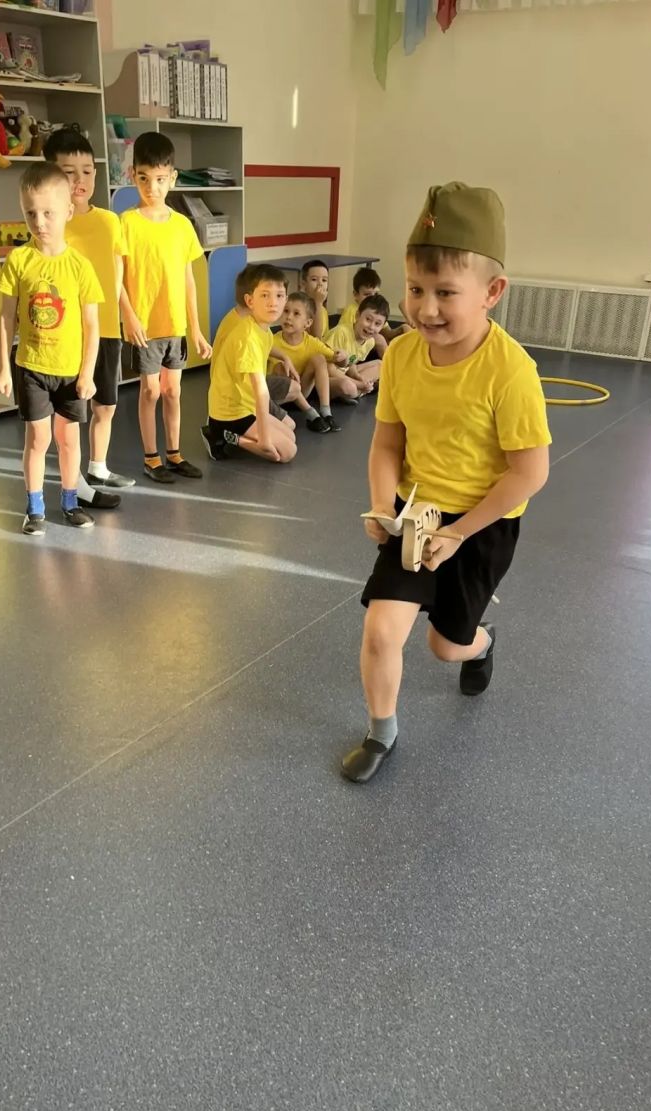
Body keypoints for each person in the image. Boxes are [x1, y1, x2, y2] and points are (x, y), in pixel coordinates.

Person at [341, 182, 551, 784]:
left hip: (483, 525)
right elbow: (387, 443)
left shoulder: (511, 371)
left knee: (445, 646)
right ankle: (381, 732)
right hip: (416, 513)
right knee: (381, 632)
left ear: (492, 292)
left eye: (445, 293)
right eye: (415, 289)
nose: (425, 308)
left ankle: (481, 644)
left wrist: (460, 532)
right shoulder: (402, 356)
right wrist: (382, 505)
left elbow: (529, 472)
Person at [0, 163, 103, 536]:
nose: (39, 222)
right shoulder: (18, 261)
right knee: (38, 440)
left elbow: (92, 325)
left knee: (69, 440)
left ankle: (70, 502)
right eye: (30, 213)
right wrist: (3, 367)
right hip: (32, 368)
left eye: (48, 213)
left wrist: (87, 373)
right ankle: (35, 507)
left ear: (68, 211)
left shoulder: (80, 267)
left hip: (70, 371)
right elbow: (6, 318)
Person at [44, 124, 134, 509]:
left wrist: (128, 315)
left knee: (106, 404)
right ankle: (75, 482)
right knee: (72, 412)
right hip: (70, 334)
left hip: (107, 328)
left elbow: (118, 274)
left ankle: (97, 467)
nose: (79, 180)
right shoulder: (51, 224)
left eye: (86, 171)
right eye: (68, 172)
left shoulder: (110, 221)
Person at [120, 132, 211, 484]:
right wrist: (129, 316)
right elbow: (116, 279)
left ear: (172, 177)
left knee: (173, 390)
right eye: (144, 178)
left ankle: (174, 454)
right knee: (150, 391)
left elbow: (189, 281)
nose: (152, 187)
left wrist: (196, 329)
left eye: (159, 179)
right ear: (133, 175)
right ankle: (151, 458)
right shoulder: (126, 223)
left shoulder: (182, 225)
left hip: (175, 326)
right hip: (145, 327)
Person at [201, 265, 297, 464]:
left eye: (279, 296)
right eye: (265, 296)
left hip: (246, 403)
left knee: (290, 432)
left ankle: (231, 432)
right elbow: (260, 390)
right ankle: (223, 433)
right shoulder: (247, 336)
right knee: (288, 452)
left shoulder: (263, 329)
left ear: (286, 299)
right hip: (231, 411)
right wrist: (264, 439)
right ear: (250, 301)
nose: (273, 303)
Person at [270, 291, 346, 431]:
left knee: (319, 359)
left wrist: (343, 357)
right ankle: (311, 414)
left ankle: (326, 411)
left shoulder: (311, 342)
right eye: (286, 311)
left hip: (302, 392)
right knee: (281, 367)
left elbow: (338, 361)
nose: (289, 317)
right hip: (282, 396)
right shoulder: (272, 341)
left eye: (296, 314)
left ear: (308, 323)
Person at [324, 295, 389, 397]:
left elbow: (351, 364)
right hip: (326, 377)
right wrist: (358, 383)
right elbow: (327, 367)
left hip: (345, 374)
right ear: (357, 316)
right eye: (368, 319)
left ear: (382, 326)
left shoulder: (370, 342)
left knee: (381, 365)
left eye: (377, 324)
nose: (371, 327)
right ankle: (359, 390)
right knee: (348, 386)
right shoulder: (341, 332)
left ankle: (359, 390)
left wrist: (357, 376)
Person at [300, 259, 330, 339]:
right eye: (314, 279)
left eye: (324, 280)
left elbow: (323, 338)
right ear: (304, 284)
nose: (320, 284)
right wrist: (318, 303)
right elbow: (315, 338)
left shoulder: (323, 310)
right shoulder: (300, 309)